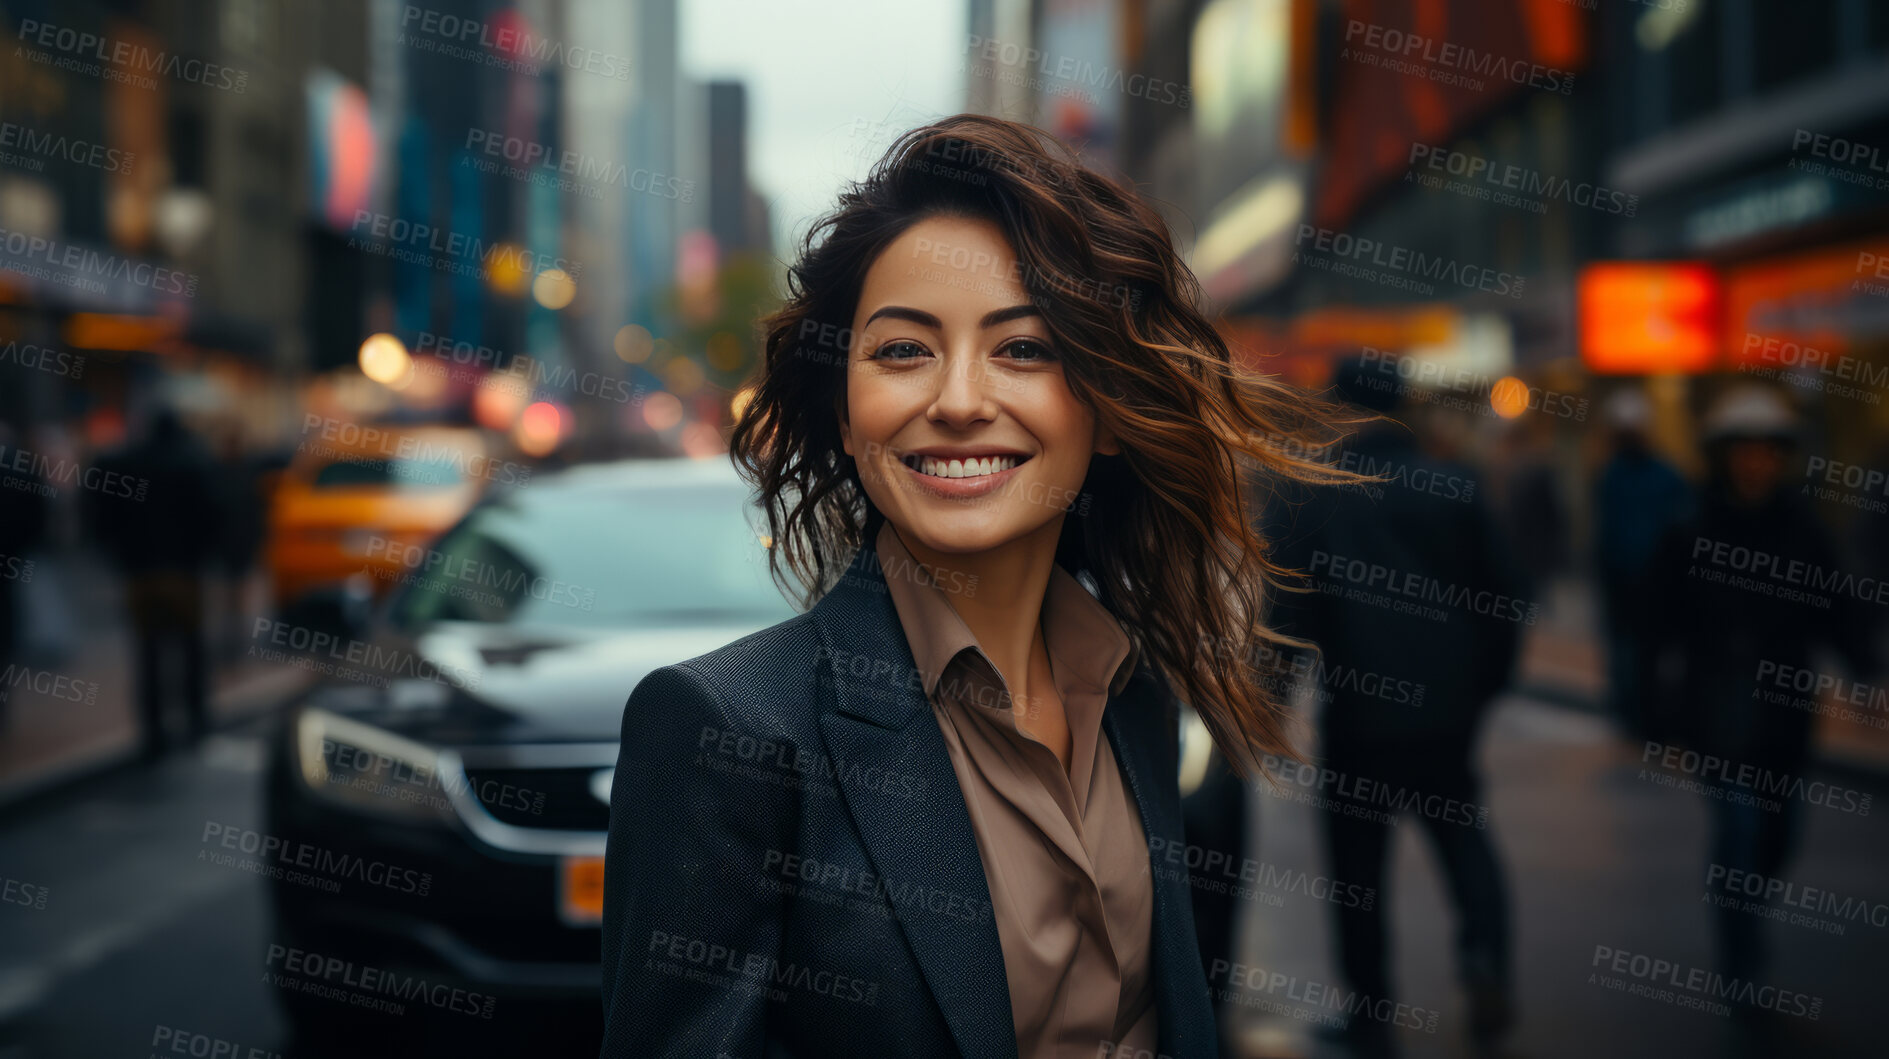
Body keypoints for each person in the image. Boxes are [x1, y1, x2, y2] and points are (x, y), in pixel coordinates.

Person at [598, 115, 1361, 1059]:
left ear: (1110, 412)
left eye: (1025, 349)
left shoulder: (1139, 699)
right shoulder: (726, 728)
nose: (957, 400)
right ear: (845, 410)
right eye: (902, 351)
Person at [1264, 355, 1526, 1058]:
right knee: (1464, 839)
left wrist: (1264, 707)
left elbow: (1284, 615)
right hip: (1446, 716)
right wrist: (1481, 688)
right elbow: (1504, 598)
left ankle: (1370, 1010)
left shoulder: (1315, 493)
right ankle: (1484, 961)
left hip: (1358, 714)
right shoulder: (1456, 484)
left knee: (1356, 870)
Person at [1638, 386, 1876, 1032]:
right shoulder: (1687, 532)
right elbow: (1653, 630)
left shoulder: (1802, 530)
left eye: (1766, 451)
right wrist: (1654, 720)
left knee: (1777, 835)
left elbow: (1839, 608)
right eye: (1742, 451)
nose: (1754, 463)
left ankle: (1742, 908)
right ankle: (1741, 967)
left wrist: (1865, 670)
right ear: (1722, 457)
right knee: (1737, 834)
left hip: (1783, 717)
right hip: (1713, 715)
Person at [87, 407, 225, 759]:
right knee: (190, 649)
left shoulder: (127, 462)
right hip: (183, 570)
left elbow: (102, 515)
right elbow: (213, 515)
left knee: (148, 653)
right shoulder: (193, 463)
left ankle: (154, 735)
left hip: (142, 572)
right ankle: (196, 721)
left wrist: (121, 557)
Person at [1593, 388, 1691, 739]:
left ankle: (1651, 719)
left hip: (1655, 586)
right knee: (1635, 655)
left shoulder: (1658, 475)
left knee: (1651, 656)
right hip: (1628, 585)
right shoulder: (1613, 475)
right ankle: (1639, 718)